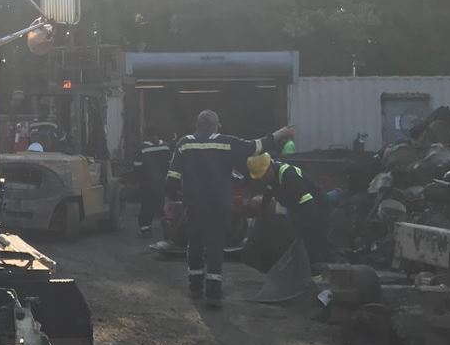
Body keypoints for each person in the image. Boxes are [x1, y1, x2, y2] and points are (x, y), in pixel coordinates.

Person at [166, 110, 294, 308]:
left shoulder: (184, 144)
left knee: (195, 244)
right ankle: (213, 294)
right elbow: (256, 146)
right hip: (219, 204)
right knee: (215, 246)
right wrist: (282, 132)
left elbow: (173, 175)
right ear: (217, 126)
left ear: (197, 125)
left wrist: (169, 199)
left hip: (194, 204)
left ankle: (195, 288)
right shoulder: (226, 143)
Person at [247, 153, 330, 271]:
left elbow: (308, 205)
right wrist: (262, 216)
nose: (263, 179)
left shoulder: (289, 175)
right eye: (260, 177)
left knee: (310, 243)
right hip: (299, 208)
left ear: (270, 167)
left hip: (316, 208)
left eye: (264, 175)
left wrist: (300, 226)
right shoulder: (271, 177)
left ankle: (316, 275)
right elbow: (268, 195)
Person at [132, 128, 172, 238]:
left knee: (147, 205)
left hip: (147, 183)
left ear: (147, 136)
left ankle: (145, 228)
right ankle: (167, 224)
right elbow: (170, 163)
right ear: (157, 134)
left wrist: (137, 180)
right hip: (162, 182)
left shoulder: (142, 148)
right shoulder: (166, 147)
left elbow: (137, 165)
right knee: (162, 203)